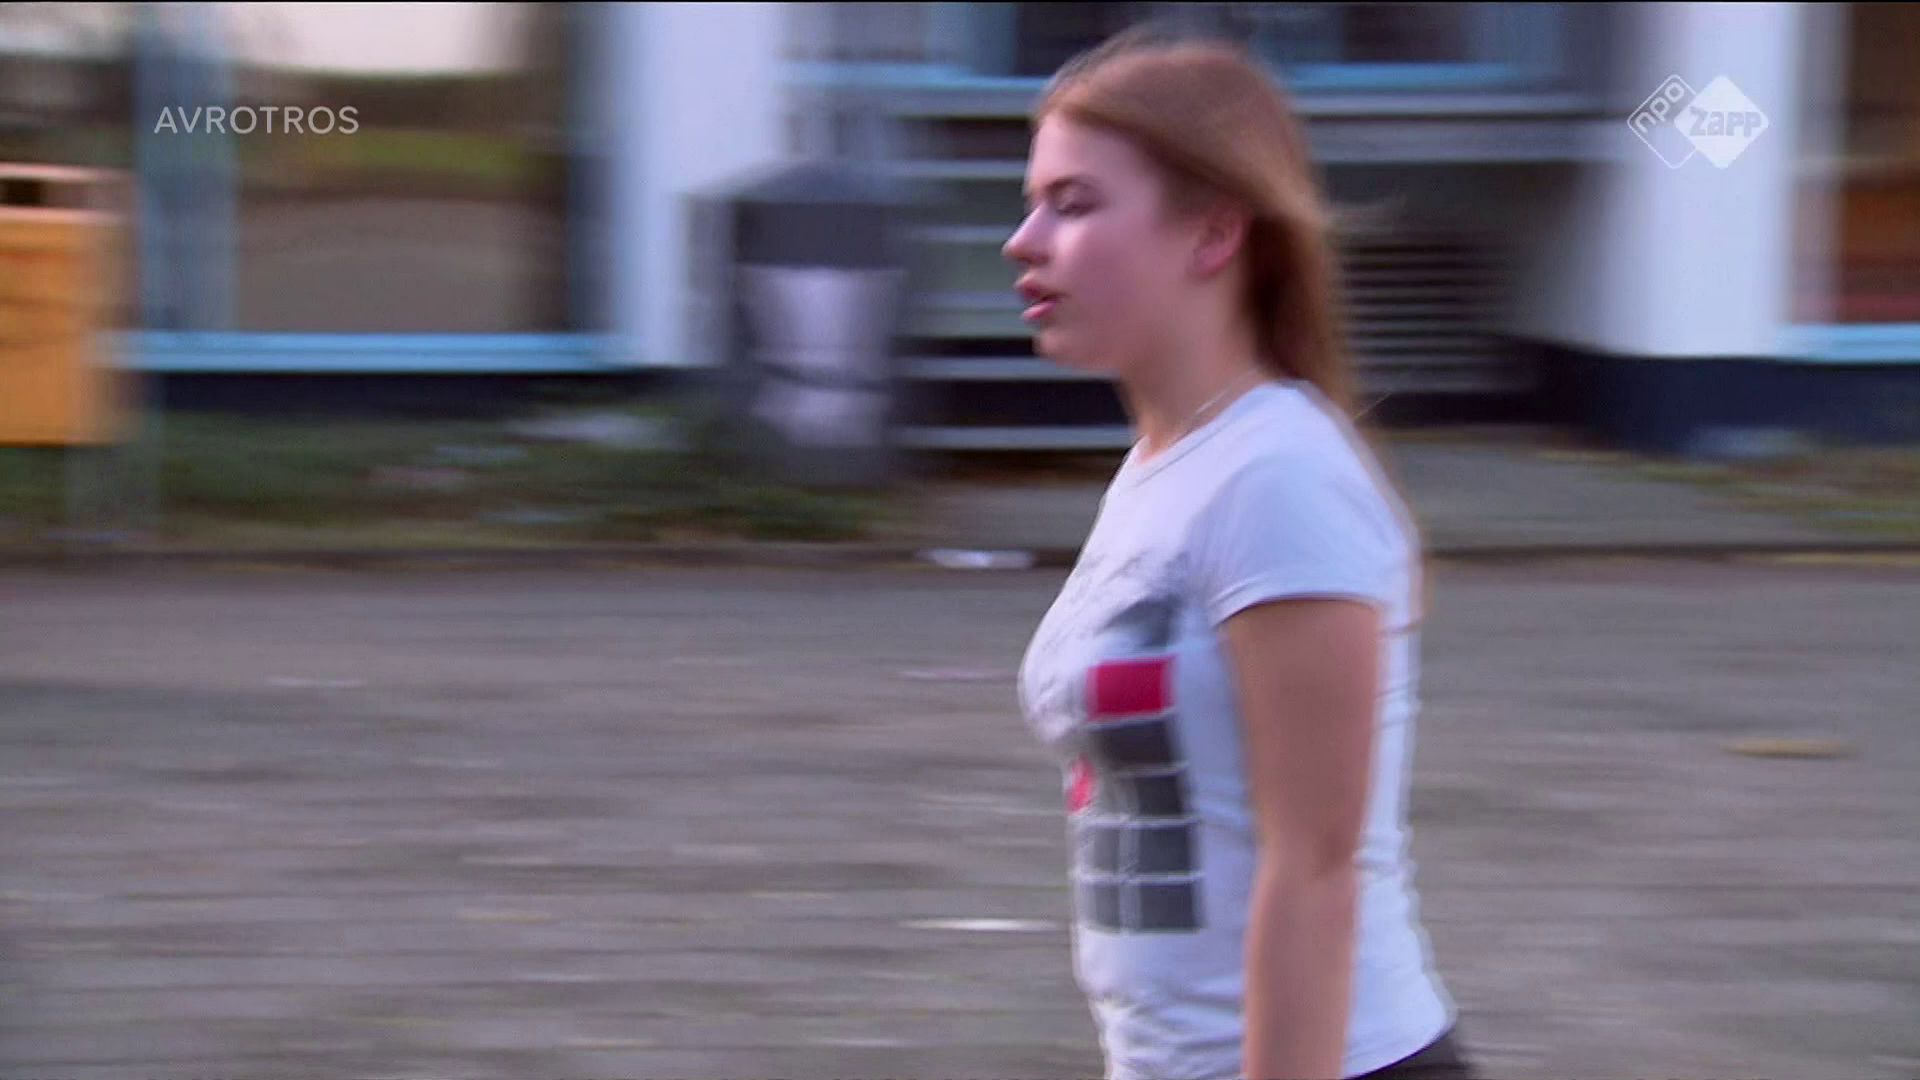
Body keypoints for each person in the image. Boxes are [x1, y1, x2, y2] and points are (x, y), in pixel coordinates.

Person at [1007, 26, 1476, 1080]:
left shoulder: (1280, 479)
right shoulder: (1167, 470)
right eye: (1032, 203)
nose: (1024, 241)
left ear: (1213, 232)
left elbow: (1315, 869)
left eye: (1073, 204)